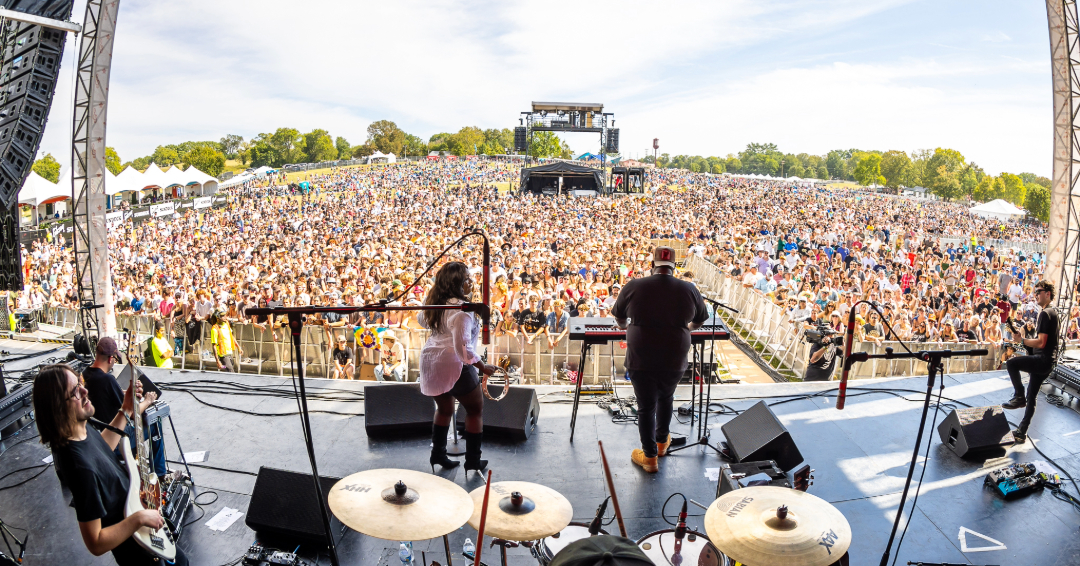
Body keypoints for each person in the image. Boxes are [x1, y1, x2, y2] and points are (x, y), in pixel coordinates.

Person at [33, 364, 189, 566]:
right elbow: (96, 542)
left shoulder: (80, 429)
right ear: (58, 407)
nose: (85, 390)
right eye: (75, 392)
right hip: (138, 551)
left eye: (80, 383)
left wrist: (125, 408)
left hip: (143, 527)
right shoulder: (79, 468)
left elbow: (102, 449)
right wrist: (138, 518)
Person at [611, 246, 709, 473]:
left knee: (646, 406)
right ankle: (662, 443)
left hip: (641, 356)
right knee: (667, 396)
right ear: (675, 267)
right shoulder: (689, 289)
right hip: (674, 356)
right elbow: (700, 319)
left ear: (652, 265)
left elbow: (619, 317)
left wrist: (626, 327)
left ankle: (650, 458)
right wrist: (688, 329)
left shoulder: (634, 285)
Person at [418, 262, 499, 474]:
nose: (470, 282)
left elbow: (421, 320)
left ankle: (438, 455)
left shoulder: (435, 303)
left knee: (444, 409)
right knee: (474, 410)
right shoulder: (462, 311)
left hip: (431, 360)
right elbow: (462, 349)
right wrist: (483, 366)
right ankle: (472, 460)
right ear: (458, 283)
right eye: (466, 278)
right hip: (453, 363)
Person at [82, 337, 165, 480]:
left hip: (99, 436)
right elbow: (132, 414)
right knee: (155, 423)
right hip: (117, 438)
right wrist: (148, 400)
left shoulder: (86, 374)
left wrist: (125, 392)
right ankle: (159, 474)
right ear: (110, 359)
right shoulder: (107, 379)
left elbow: (107, 395)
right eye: (114, 359)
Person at [1001, 280, 1059, 443]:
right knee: (1032, 395)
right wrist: (1024, 341)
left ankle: (1018, 396)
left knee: (1012, 363)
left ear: (1048, 293)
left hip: (1043, 360)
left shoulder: (1045, 313)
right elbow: (1045, 342)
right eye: (1034, 292)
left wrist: (1022, 341)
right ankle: (1021, 431)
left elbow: (1041, 342)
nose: (1036, 295)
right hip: (1048, 362)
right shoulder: (1052, 312)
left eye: (1038, 292)